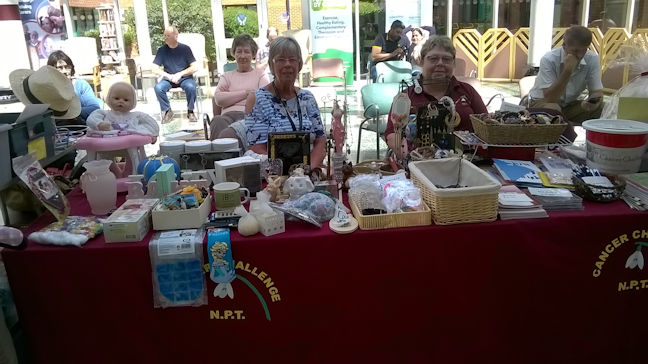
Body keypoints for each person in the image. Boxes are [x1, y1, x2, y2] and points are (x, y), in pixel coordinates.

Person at [384, 35, 487, 152]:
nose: (440, 63)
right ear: (422, 61)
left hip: (468, 161)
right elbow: (392, 132)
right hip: (419, 163)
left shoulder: (468, 92)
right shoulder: (406, 96)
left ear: (453, 63)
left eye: (447, 59)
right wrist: (402, 150)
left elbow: (486, 126)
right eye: (433, 59)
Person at [244, 36, 326, 169]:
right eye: (281, 60)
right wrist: (285, 174)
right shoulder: (257, 99)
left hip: (309, 173)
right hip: (274, 175)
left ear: (299, 65)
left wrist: (308, 170)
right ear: (271, 65)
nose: (287, 64)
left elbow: (320, 140)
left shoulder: (307, 98)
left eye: (292, 60)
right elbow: (256, 147)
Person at [528, 25, 603, 125]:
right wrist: (567, 71)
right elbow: (550, 98)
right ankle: (567, 125)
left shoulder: (592, 59)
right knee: (554, 108)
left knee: (602, 107)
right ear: (564, 46)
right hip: (542, 103)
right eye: (575, 51)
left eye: (584, 50)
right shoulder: (549, 59)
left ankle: (565, 124)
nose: (580, 55)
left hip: (569, 105)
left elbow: (596, 91)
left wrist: (592, 101)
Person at [210, 34, 270, 140]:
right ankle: (220, 155)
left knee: (242, 127)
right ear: (234, 53)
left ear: (253, 54)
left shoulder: (260, 75)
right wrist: (246, 93)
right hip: (227, 117)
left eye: (246, 52)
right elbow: (218, 99)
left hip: (249, 117)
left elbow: (263, 99)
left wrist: (230, 97)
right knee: (217, 121)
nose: (242, 56)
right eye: (239, 51)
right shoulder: (227, 76)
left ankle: (235, 155)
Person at [153, 25, 198, 124]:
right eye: (164, 35)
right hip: (169, 78)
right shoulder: (162, 50)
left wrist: (180, 74)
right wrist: (168, 75)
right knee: (158, 88)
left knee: (191, 86)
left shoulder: (185, 49)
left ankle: (190, 111)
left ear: (175, 36)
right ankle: (168, 111)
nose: (165, 38)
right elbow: (154, 68)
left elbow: (194, 67)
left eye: (168, 35)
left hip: (184, 78)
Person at [47, 50, 102, 122]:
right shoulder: (48, 89)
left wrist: (70, 113)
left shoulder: (81, 85)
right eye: (60, 68)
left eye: (67, 67)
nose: (64, 71)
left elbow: (94, 108)